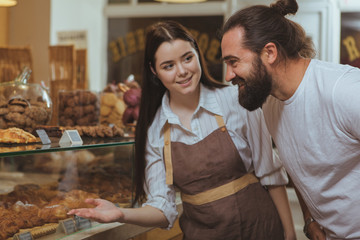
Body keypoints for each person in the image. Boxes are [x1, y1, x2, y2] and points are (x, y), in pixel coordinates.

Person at [68, 20, 296, 240]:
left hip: (260, 228)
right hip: (203, 234)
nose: (182, 72)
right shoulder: (155, 129)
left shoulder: (235, 101)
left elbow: (270, 173)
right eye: (168, 66)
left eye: (187, 58)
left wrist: (289, 233)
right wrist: (121, 214)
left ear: (197, 54)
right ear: (154, 71)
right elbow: (162, 209)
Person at [221, 0, 360, 239]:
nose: (228, 75)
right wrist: (308, 218)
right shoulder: (271, 105)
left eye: (234, 62)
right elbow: (299, 170)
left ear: (270, 53)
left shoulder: (344, 90)